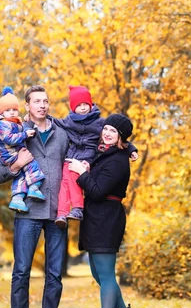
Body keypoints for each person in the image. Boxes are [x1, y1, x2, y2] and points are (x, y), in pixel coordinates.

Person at [0, 85, 69, 308]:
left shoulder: (62, 133)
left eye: (46, 101)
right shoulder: (14, 130)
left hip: (57, 212)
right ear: (27, 105)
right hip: (27, 212)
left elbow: (85, 143)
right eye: (37, 101)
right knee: (22, 270)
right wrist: (18, 164)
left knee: (55, 274)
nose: (42, 105)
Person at [68, 114, 142, 308]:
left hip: (107, 219)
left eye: (113, 131)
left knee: (106, 274)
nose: (107, 133)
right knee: (99, 274)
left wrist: (81, 174)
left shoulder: (118, 160)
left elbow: (98, 191)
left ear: (121, 137)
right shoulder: (108, 153)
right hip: (96, 218)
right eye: (106, 128)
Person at [52, 85, 138, 229]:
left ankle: (77, 208)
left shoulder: (100, 122)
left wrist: (131, 149)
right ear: (73, 108)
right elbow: (54, 122)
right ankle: (62, 213)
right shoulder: (69, 121)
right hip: (72, 156)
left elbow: (118, 135)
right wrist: (35, 118)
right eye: (79, 105)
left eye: (86, 104)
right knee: (64, 182)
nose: (84, 108)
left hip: (88, 158)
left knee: (73, 177)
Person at [0, 86, 45, 212]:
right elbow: (9, 139)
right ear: (2, 112)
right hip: (10, 154)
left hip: (15, 153)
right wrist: (25, 135)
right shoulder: (1, 124)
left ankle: (17, 199)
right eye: (8, 110)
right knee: (31, 164)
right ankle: (34, 187)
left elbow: (22, 129)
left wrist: (27, 129)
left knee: (20, 176)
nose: (12, 112)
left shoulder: (15, 122)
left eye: (14, 109)